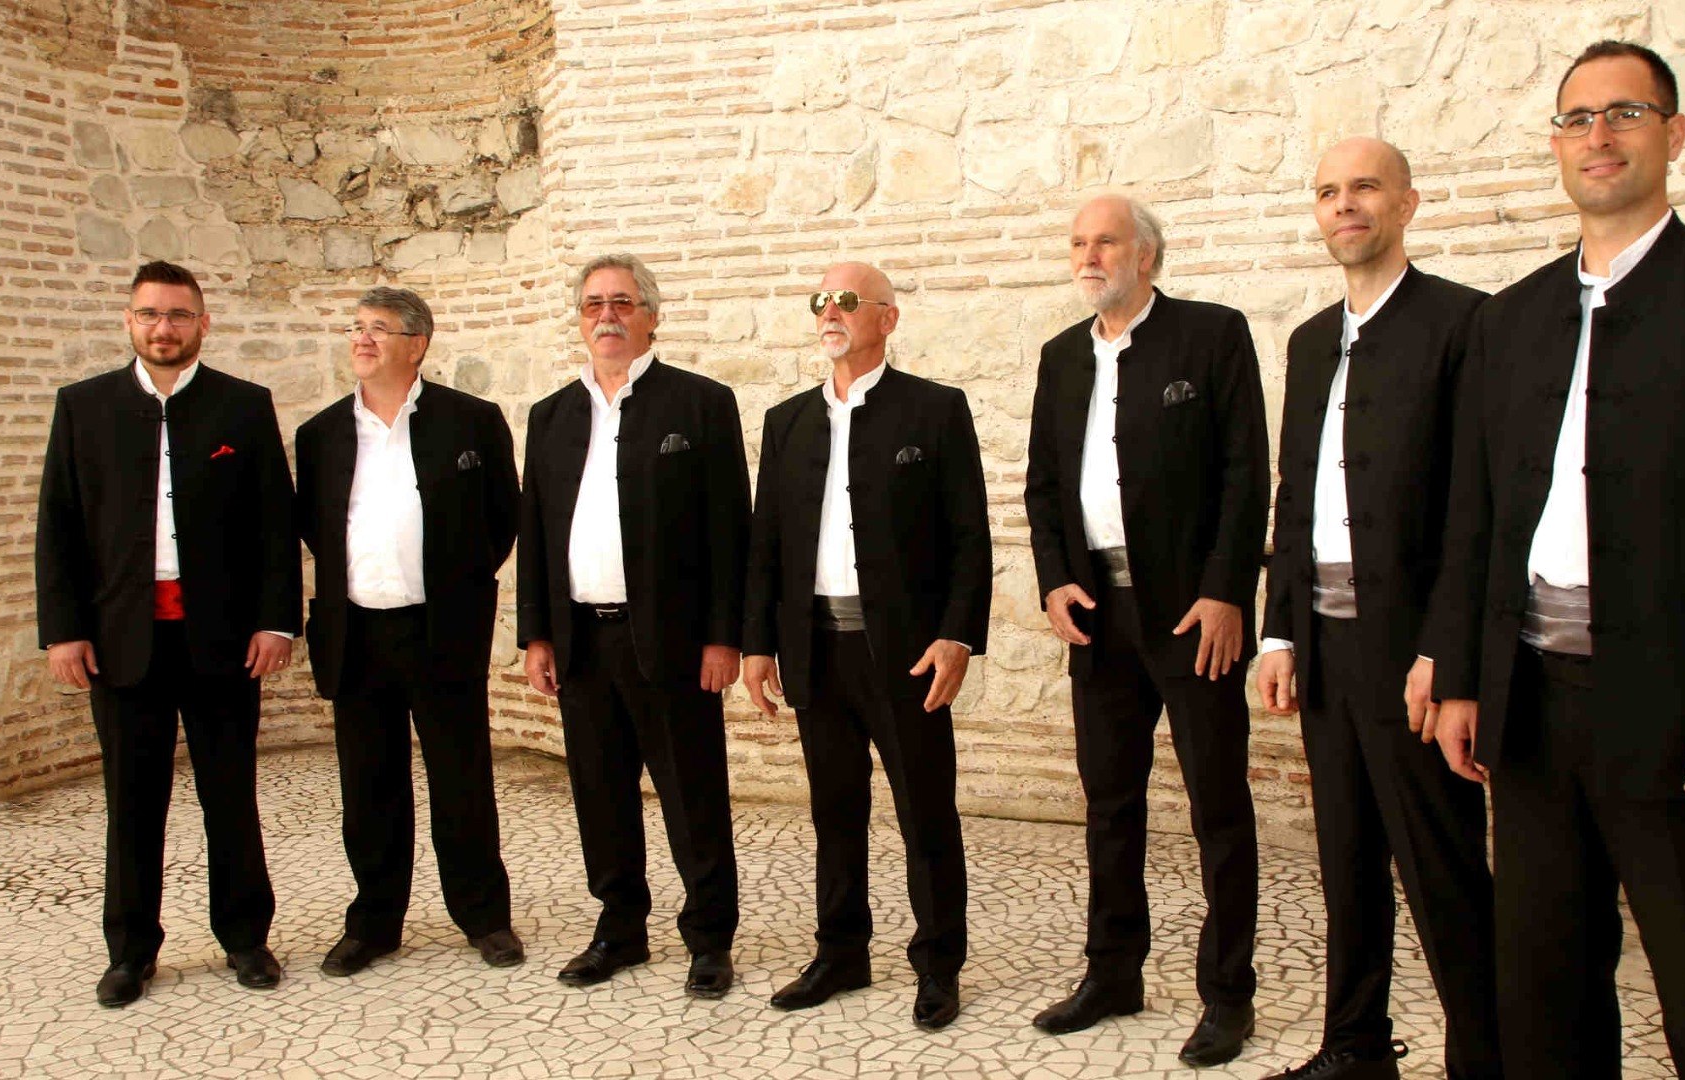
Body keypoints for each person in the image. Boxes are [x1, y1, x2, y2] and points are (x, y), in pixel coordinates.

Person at [1416, 41, 1685, 1079]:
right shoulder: (1506, 320)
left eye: (1625, 114)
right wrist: (1462, 676)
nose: (1597, 136)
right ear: (1557, 146)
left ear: (1674, 135)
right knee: (1543, 993)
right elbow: (1476, 522)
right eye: (1576, 119)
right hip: (1531, 713)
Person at [1255, 138, 1500, 1080]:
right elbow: (1295, 493)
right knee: (1347, 860)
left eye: (1364, 187)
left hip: (1412, 655)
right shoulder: (1310, 339)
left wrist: (1446, 651)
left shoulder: (1463, 322)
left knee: (1443, 871)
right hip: (1324, 645)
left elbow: (1477, 507)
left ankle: (1488, 1059)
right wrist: (1280, 628)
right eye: (1328, 191)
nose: (1344, 204)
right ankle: (1355, 1048)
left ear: (1407, 203)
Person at [1024, 194, 1270, 1067]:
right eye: (1079, 243)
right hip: (1098, 615)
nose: (1089, 256)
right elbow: (1043, 485)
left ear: (1147, 256)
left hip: (1192, 613)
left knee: (1218, 805)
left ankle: (1228, 995)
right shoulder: (1061, 357)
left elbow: (1246, 471)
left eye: (1107, 242)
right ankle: (1113, 973)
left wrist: (1226, 592)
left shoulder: (1212, 335)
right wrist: (1055, 580)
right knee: (1109, 802)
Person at [35, 260, 299, 1006]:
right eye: (150, 314)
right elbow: (58, 525)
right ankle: (129, 952)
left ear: (203, 323)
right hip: (122, 641)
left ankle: (245, 938)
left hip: (222, 640)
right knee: (132, 801)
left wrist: (276, 621)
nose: (164, 328)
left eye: (179, 315)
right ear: (129, 321)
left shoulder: (243, 406)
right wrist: (63, 631)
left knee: (230, 795)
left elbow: (273, 524)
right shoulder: (83, 406)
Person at [742, 261, 992, 1030]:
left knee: (925, 812)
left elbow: (968, 536)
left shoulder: (935, 410)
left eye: (847, 301)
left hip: (906, 652)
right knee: (835, 812)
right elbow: (767, 541)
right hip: (815, 648)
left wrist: (957, 635)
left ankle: (938, 965)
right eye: (821, 300)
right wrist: (758, 644)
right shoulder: (786, 422)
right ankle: (841, 953)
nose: (831, 312)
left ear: (887, 317)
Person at [516, 254, 748, 997]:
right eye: (593, 304)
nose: (607, 316)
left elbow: (729, 531)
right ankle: (619, 930)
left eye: (622, 302)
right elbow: (536, 533)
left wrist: (724, 637)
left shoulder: (701, 404)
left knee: (692, 795)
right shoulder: (551, 416)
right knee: (600, 795)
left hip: (675, 642)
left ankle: (709, 939)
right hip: (581, 640)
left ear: (651, 315)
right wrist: (537, 635)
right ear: (580, 319)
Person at [294, 286, 523, 976]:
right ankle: (374, 923)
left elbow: (501, 520)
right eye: (357, 327)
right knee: (369, 787)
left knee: (462, 779)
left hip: (442, 628)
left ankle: (484, 917)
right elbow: (316, 527)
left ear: (418, 344)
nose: (362, 339)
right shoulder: (320, 434)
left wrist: (455, 584)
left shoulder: (472, 421)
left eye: (380, 328)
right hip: (356, 633)